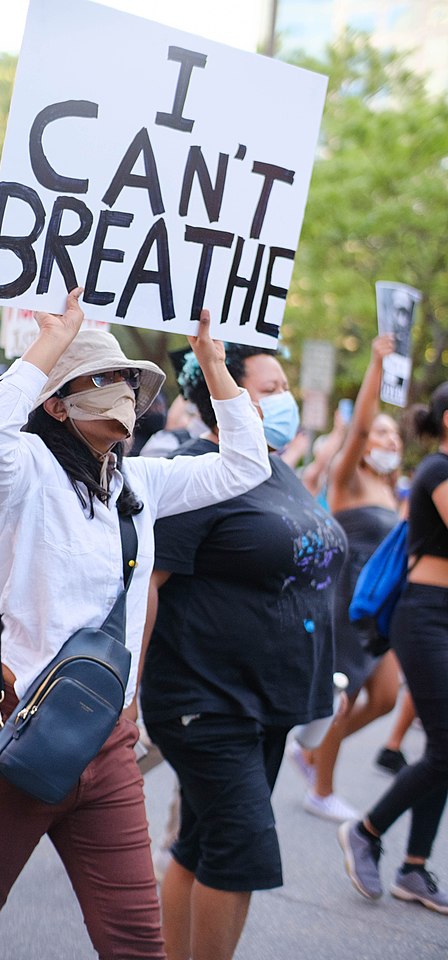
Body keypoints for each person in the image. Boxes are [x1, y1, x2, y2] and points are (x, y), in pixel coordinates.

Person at [0, 288, 271, 960]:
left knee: (136, 941)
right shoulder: (24, 473)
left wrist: (213, 361)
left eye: (130, 379)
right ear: (57, 404)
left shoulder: (144, 485)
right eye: (102, 378)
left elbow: (247, 464)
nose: (123, 390)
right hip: (9, 734)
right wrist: (54, 339)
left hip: (105, 745)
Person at [139, 344, 347, 960]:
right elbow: (146, 589)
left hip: (270, 703)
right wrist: (126, 701)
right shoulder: (193, 472)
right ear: (229, 394)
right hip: (205, 700)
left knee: (200, 845)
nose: (285, 398)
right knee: (242, 850)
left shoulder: (276, 468)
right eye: (273, 384)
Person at [338, 381, 448, 913]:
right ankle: (366, 830)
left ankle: (414, 868)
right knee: (447, 748)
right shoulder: (437, 471)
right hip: (426, 617)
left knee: (445, 752)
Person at [289, 334, 403, 822]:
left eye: (395, 436)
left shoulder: (389, 485)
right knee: (345, 696)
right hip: (347, 595)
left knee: (385, 697)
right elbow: (357, 425)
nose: (390, 442)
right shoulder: (348, 478)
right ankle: (322, 787)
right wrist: (376, 365)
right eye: (381, 435)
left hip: (380, 602)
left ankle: (313, 749)